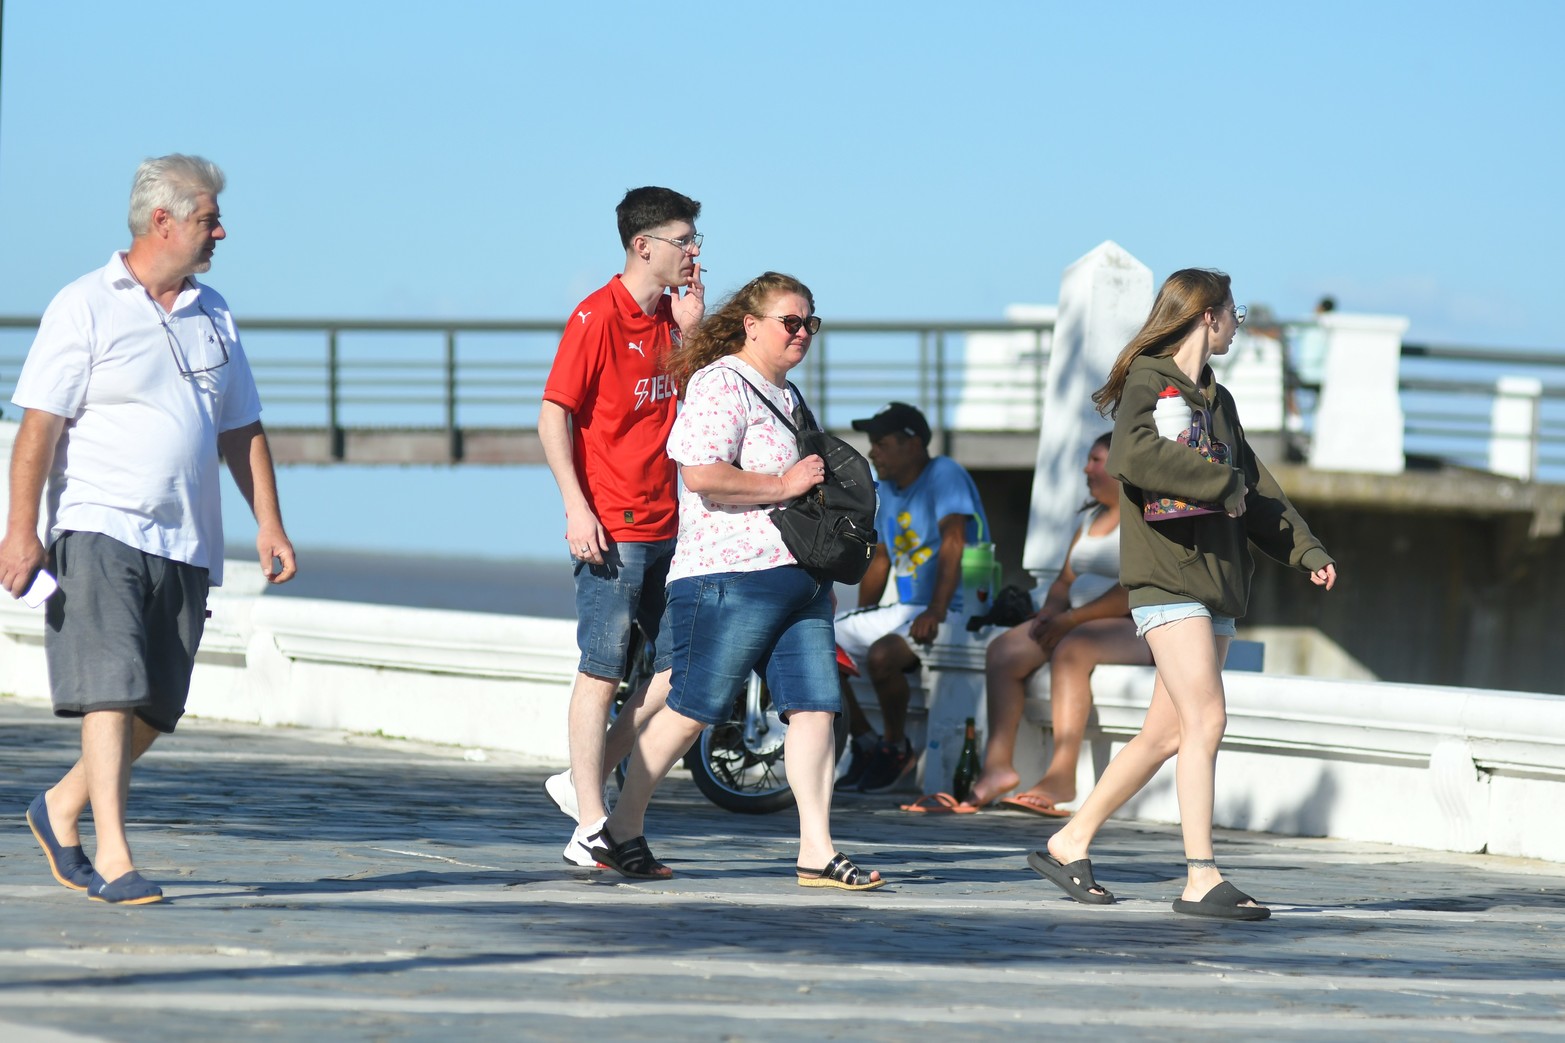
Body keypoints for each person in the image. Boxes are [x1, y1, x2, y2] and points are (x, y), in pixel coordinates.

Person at [1, 154, 297, 905]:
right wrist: (21, 530)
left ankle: (59, 805)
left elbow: (242, 428)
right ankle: (114, 854)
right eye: (207, 219)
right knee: (111, 688)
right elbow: (38, 428)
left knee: (158, 704)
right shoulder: (85, 304)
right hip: (98, 523)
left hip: (187, 539)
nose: (220, 231)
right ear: (161, 221)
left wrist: (270, 523)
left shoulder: (214, 311)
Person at [1028, 268, 1336, 922]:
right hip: (1168, 580)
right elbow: (1131, 458)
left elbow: (1254, 485)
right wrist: (1219, 485)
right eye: (1233, 310)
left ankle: (1067, 840)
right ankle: (1200, 874)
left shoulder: (1215, 401)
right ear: (1205, 315)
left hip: (1216, 583)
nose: (1238, 321)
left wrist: (1303, 549)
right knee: (1207, 720)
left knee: (1163, 734)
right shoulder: (1148, 379)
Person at [590, 271, 883, 890]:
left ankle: (817, 851)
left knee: (814, 711)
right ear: (751, 325)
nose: (803, 333)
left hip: (799, 579)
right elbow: (699, 473)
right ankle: (619, 828)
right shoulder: (722, 383)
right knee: (692, 709)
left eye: (811, 323)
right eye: (790, 321)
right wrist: (783, 485)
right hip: (729, 575)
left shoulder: (787, 394)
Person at [538, 187, 704, 868]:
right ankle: (589, 822)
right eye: (683, 241)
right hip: (612, 524)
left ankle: (577, 782)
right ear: (644, 246)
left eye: (696, 242)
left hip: (674, 522)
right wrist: (576, 508)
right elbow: (554, 415)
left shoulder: (675, 318)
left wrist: (695, 331)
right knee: (601, 670)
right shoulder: (595, 316)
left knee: (677, 668)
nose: (694, 253)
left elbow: (703, 408)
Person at [958, 433, 1151, 814]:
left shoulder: (1144, 517)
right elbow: (1065, 580)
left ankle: (1061, 776)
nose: (1087, 468)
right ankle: (997, 767)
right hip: (1073, 621)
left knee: (1072, 648)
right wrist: (1050, 612)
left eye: (1097, 460)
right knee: (1003, 650)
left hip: (1132, 625)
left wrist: (1069, 620)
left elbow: (1133, 589)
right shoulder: (1091, 517)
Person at [833, 402, 988, 793]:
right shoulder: (884, 489)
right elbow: (880, 558)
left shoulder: (944, 473)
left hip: (958, 606)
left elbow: (954, 541)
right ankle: (865, 740)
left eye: (881, 443)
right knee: (819, 643)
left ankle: (894, 745)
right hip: (907, 608)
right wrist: (863, 614)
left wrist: (936, 610)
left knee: (884, 655)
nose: (872, 453)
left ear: (913, 444)